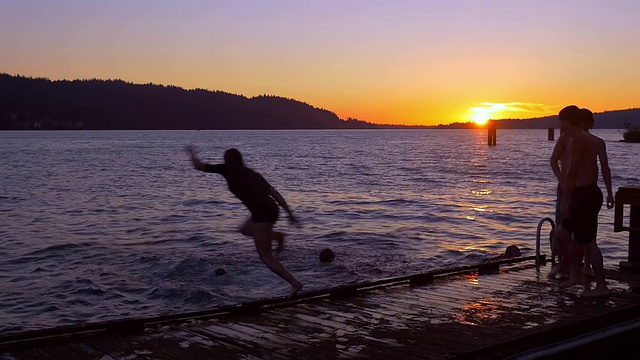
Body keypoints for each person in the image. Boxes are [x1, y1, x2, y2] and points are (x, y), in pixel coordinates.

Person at [186, 146, 303, 297]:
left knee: (265, 256)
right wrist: (289, 213)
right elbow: (274, 193)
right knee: (245, 228)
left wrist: (191, 154)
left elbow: (199, 166)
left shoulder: (226, 169)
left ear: (227, 161)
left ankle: (295, 284)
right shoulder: (252, 174)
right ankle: (275, 236)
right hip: (271, 209)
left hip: (263, 213)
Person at [556, 106, 610, 297]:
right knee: (562, 234)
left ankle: (601, 286)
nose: (559, 124)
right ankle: (576, 274)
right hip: (581, 193)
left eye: (561, 120)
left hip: (585, 194)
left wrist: (565, 200)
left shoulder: (579, 139)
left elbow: (572, 171)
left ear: (568, 121)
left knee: (588, 242)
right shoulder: (573, 139)